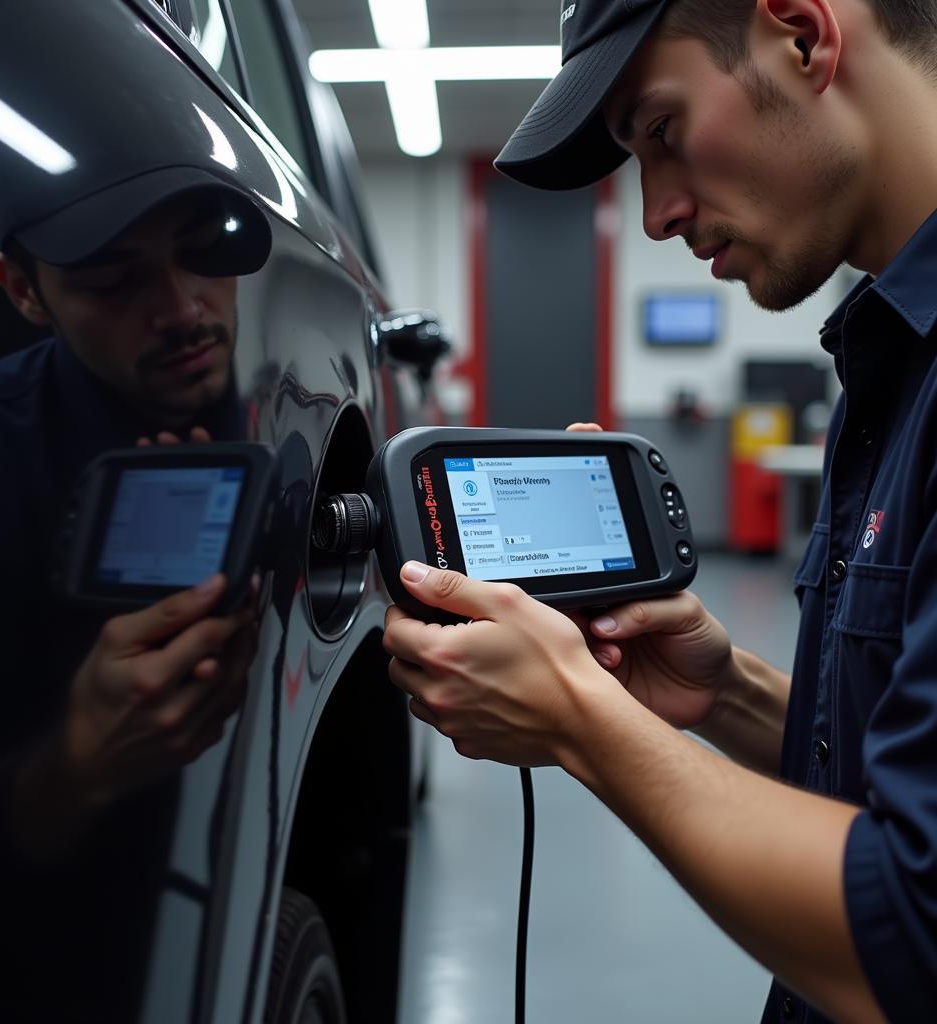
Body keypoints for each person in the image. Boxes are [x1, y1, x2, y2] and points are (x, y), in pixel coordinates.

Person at [382, 1, 937, 1021]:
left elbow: (912, 939)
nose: (652, 215)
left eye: (661, 133)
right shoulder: (892, 362)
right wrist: (723, 695)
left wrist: (579, 720)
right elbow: (886, 778)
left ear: (803, 34)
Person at [0, 155, 271, 1021]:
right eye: (114, 279)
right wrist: (69, 770)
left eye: (206, 252)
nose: (184, 309)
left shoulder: (291, 395)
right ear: (23, 290)